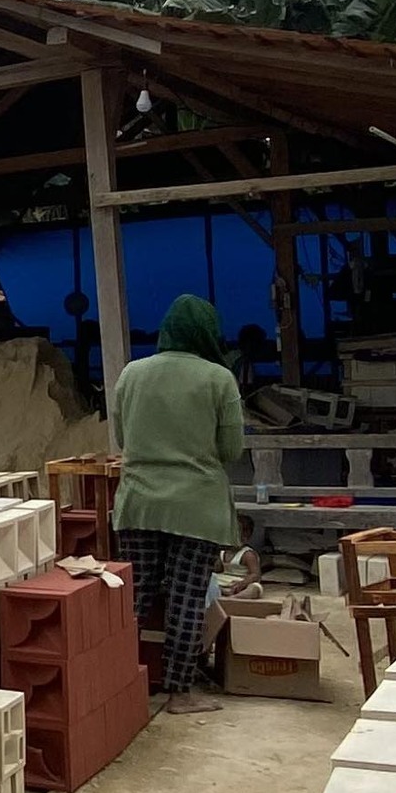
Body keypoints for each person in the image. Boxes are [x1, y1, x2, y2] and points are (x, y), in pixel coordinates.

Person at [111, 294, 245, 712]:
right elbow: (232, 449)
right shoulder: (219, 379)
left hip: (138, 502)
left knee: (134, 596)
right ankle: (179, 692)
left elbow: (120, 438)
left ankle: (116, 682)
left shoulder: (131, 374)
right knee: (186, 597)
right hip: (196, 507)